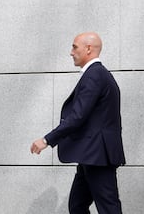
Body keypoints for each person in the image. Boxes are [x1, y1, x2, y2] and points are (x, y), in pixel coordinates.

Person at [30, 32, 126, 214]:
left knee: (108, 208)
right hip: (91, 155)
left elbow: (77, 116)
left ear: (88, 49)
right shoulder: (97, 75)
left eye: (74, 47)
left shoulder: (95, 75)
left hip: (97, 155)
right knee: (77, 206)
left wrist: (46, 140)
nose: (71, 52)